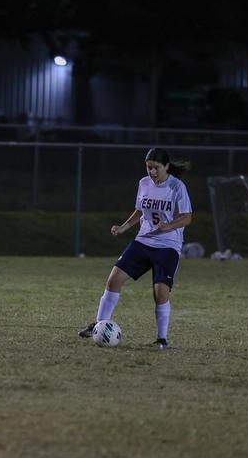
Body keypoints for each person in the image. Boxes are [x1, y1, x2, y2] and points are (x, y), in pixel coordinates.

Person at [77, 147, 193, 350]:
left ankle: (162, 339)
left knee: (160, 292)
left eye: (156, 168)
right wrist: (124, 227)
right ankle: (99, 325)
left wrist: (168, 226)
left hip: (168, 246)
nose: (152, 172)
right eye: (149, 167)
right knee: (113, 281)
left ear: (166, 166)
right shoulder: (144, 183)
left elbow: (187, 217)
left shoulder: (177, 186)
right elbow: (140, 210)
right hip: (143, 242)